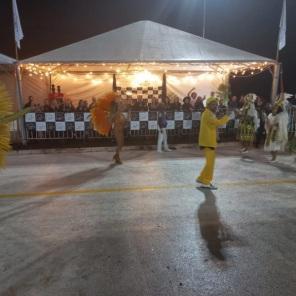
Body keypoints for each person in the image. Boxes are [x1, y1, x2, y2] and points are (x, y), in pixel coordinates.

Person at [196, 97, 230, 190]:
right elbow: (217, 123)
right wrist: (227, 117)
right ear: (209, 105)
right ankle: (206, 182)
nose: (216, 105)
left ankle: (201, 178)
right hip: (208, 141)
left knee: (209, 163)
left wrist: (217, 136)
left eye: (216, 104)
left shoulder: (209, 113)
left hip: (208, 141)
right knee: (210, 164)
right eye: (214, 104)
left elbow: (213, 126)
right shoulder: (208, 114)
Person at [264, 95, 289, 161]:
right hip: (270, 132)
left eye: (276, 108)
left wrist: (272, 125)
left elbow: (278, 125)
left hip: (275, 133)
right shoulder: (270, 115)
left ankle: (274, 158)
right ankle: (273, 157)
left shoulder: (279, 116)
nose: (274, 109)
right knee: (269, 147)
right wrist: (267, 122)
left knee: (274, 146)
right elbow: (267, 123)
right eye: (273, 108)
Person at [110, 100, 126, 164]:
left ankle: (116, 156)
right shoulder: (115, 114)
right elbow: (110, 121)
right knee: (119, 144)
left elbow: (124, 123)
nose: (122, 107)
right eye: (120, 106)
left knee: (121, 144)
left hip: (121, 130)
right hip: (116, 131)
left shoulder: (122, 115)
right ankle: (117, 157)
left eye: (122, 106)